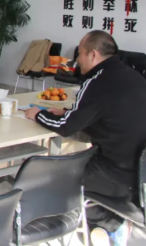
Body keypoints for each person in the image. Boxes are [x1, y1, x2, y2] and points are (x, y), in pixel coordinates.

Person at [25, 31, 146, 246]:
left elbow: (66, 127)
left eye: (80, 54)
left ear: (93, 54)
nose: (77, 60)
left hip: (116, 173)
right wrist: (70, 113)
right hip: (140, 171)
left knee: (63, 175)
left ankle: (113, 226)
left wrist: (38, 114)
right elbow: (109, 113)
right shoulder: (133, 76)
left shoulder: (97, 81)